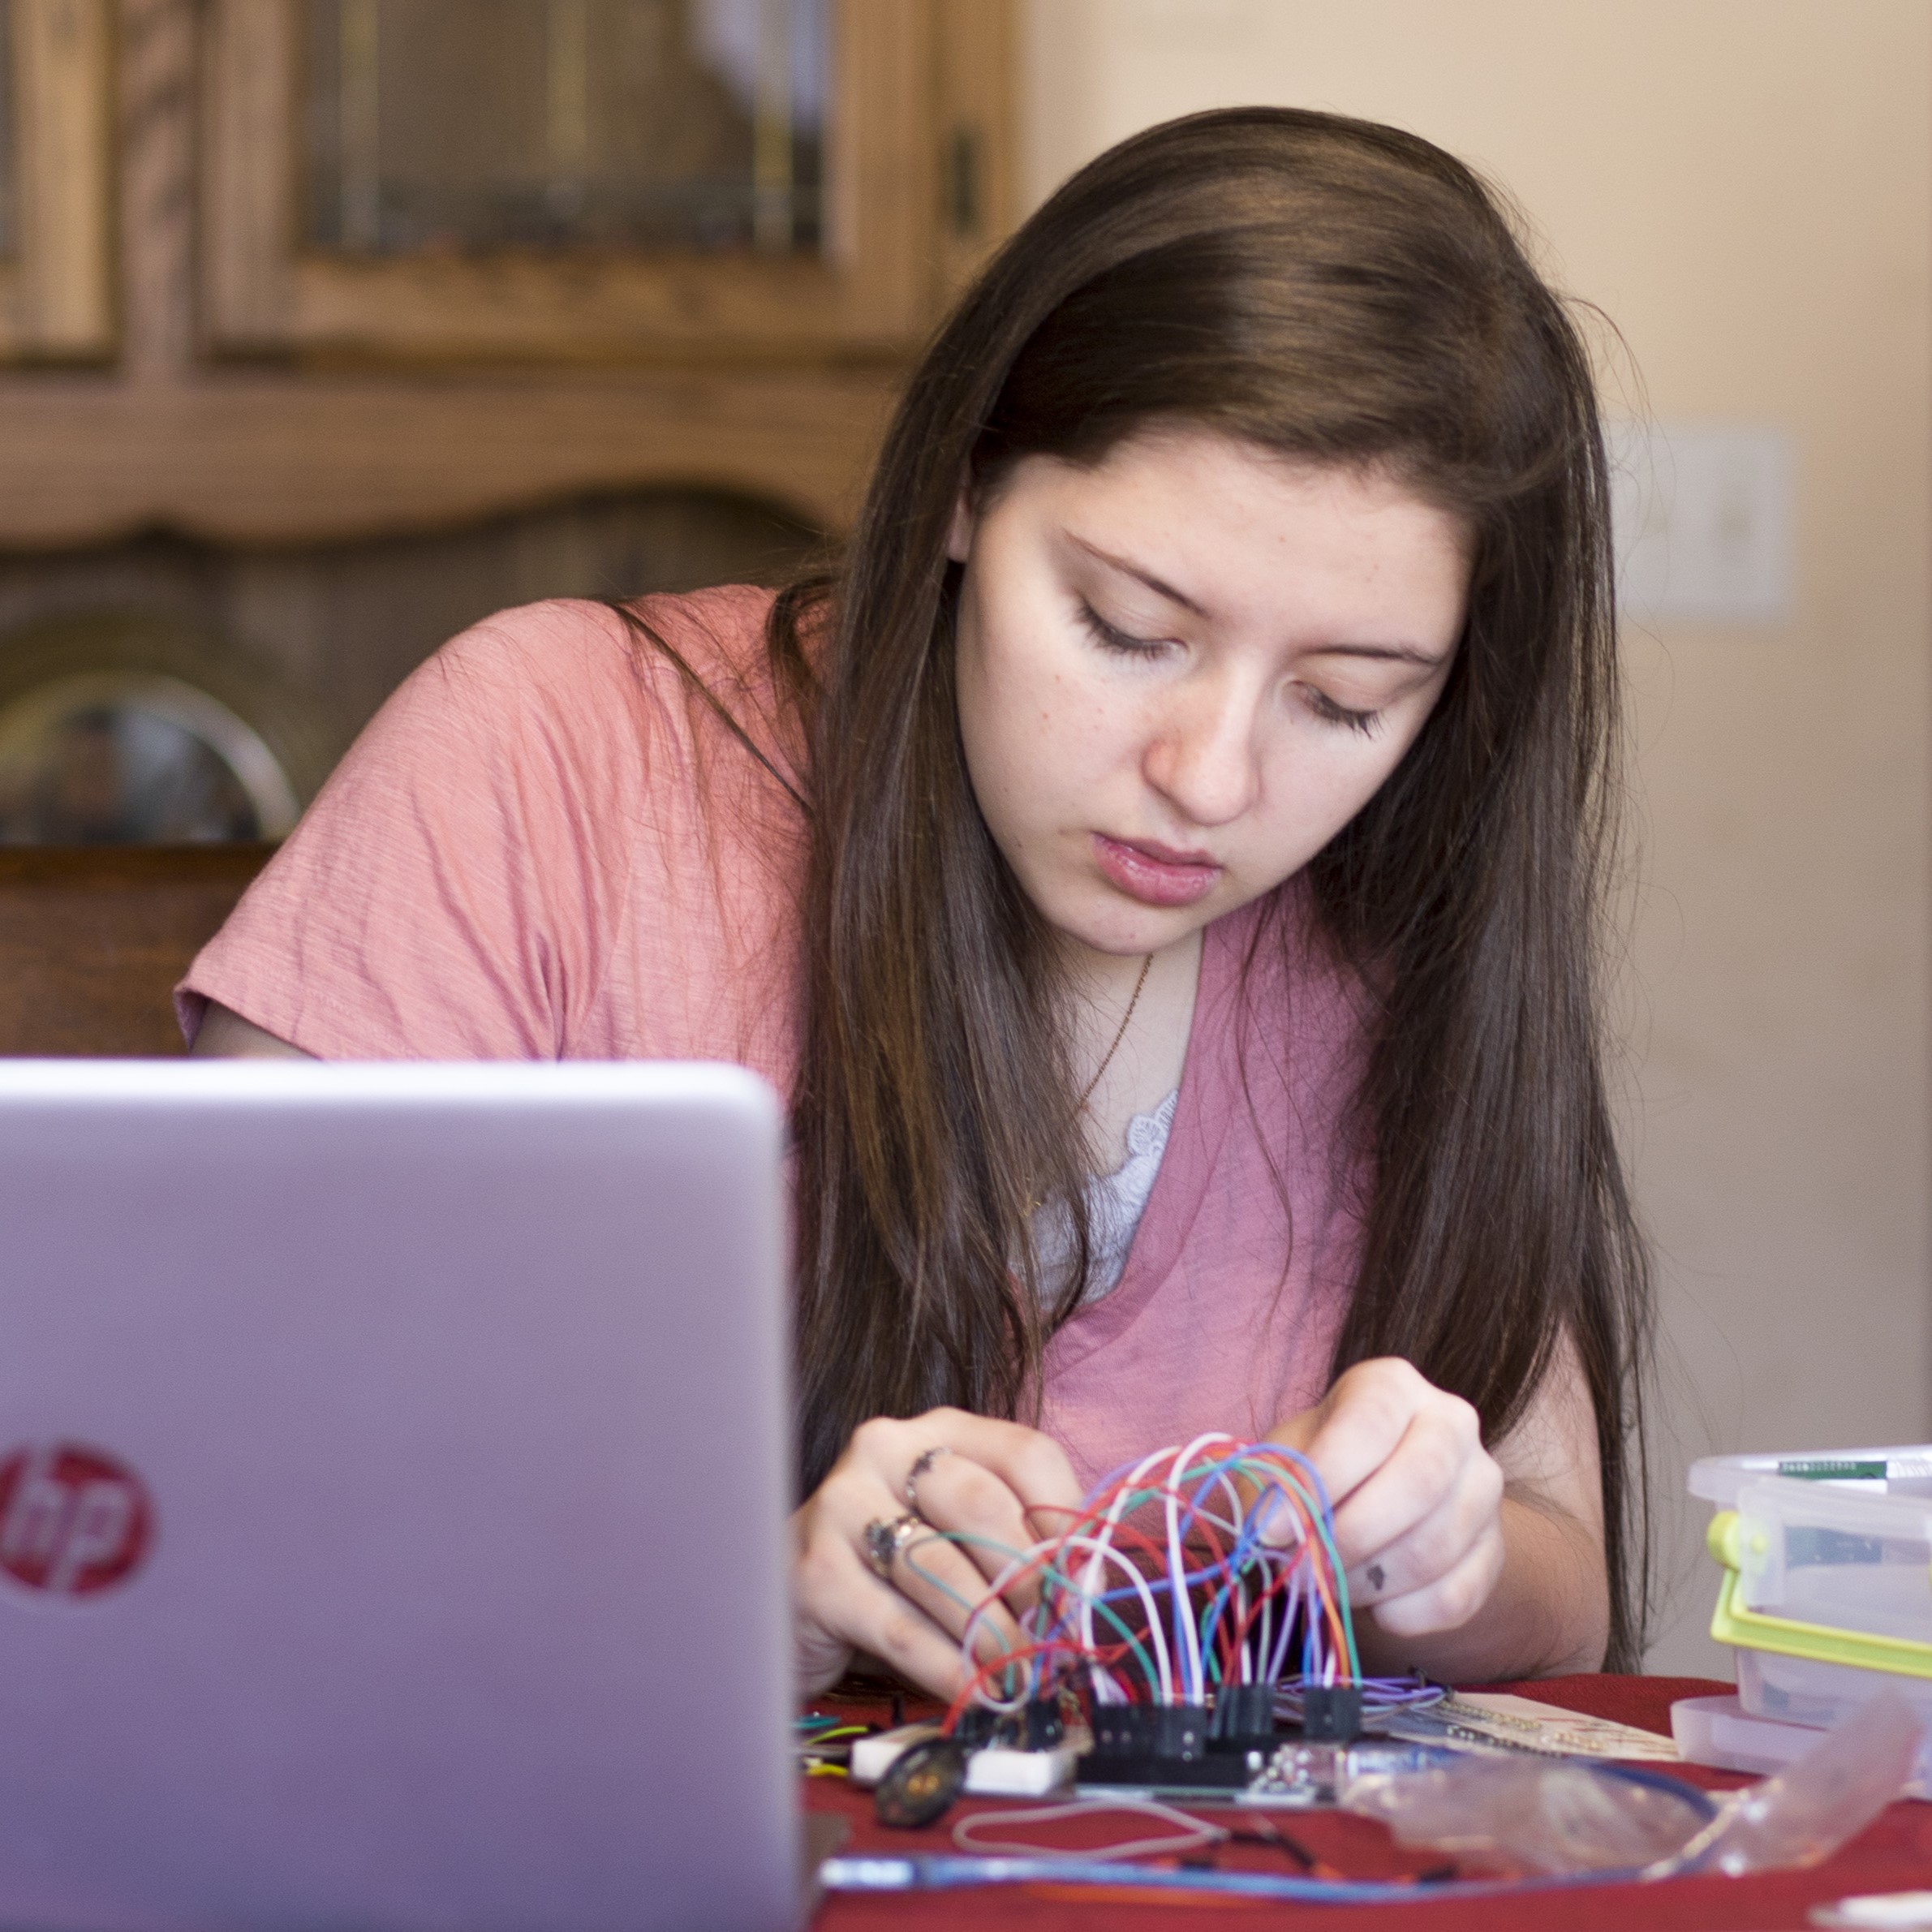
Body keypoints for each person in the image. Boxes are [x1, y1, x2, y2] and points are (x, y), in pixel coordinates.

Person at [184, 108, 1651, 1694]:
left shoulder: (1396, 916)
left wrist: (1452, 1560)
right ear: (963, 489)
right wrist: (742, 1596)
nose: (1212, 779)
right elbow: (202, 1475)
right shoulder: (551, 758)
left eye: (1347, 701)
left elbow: (1563, 1573)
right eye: (1126, 626)